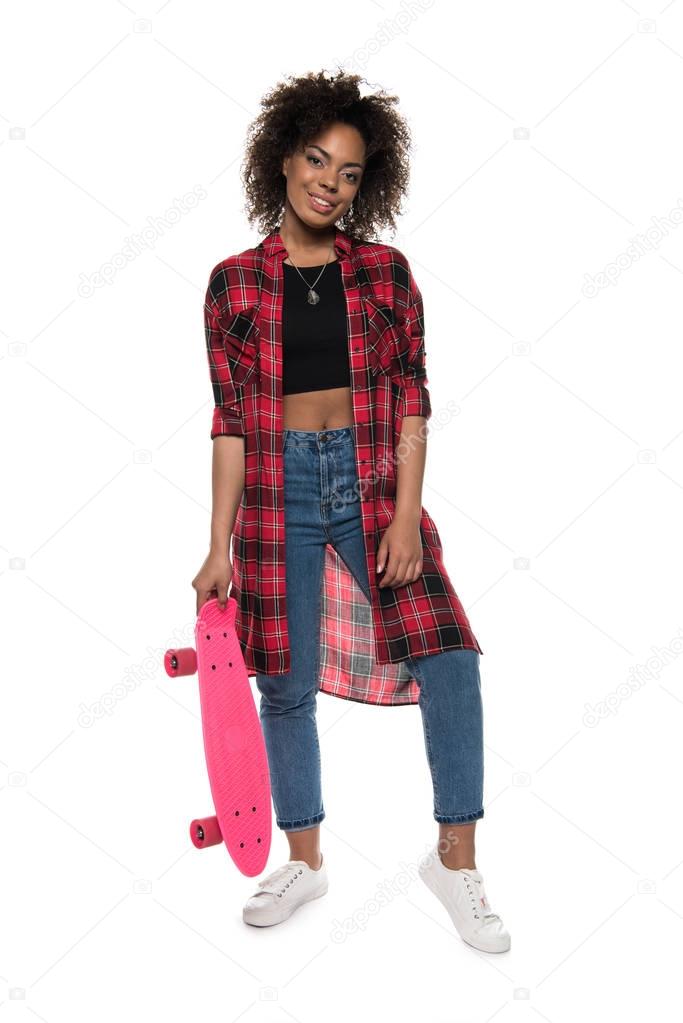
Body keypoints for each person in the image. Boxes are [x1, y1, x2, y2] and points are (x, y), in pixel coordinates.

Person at [191, 69, 510, 953]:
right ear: (281, 160)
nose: (329, 182)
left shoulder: (383, 272)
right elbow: (227, 422)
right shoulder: (232, 285)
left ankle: (455, 858)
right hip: (275, 490)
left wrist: (405, 516)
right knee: (282, 683)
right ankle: (303, 856)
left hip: (372, 484)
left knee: (448, 656)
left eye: (350, 170)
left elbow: (411, 399)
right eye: (315, 160)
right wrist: (215, 543)